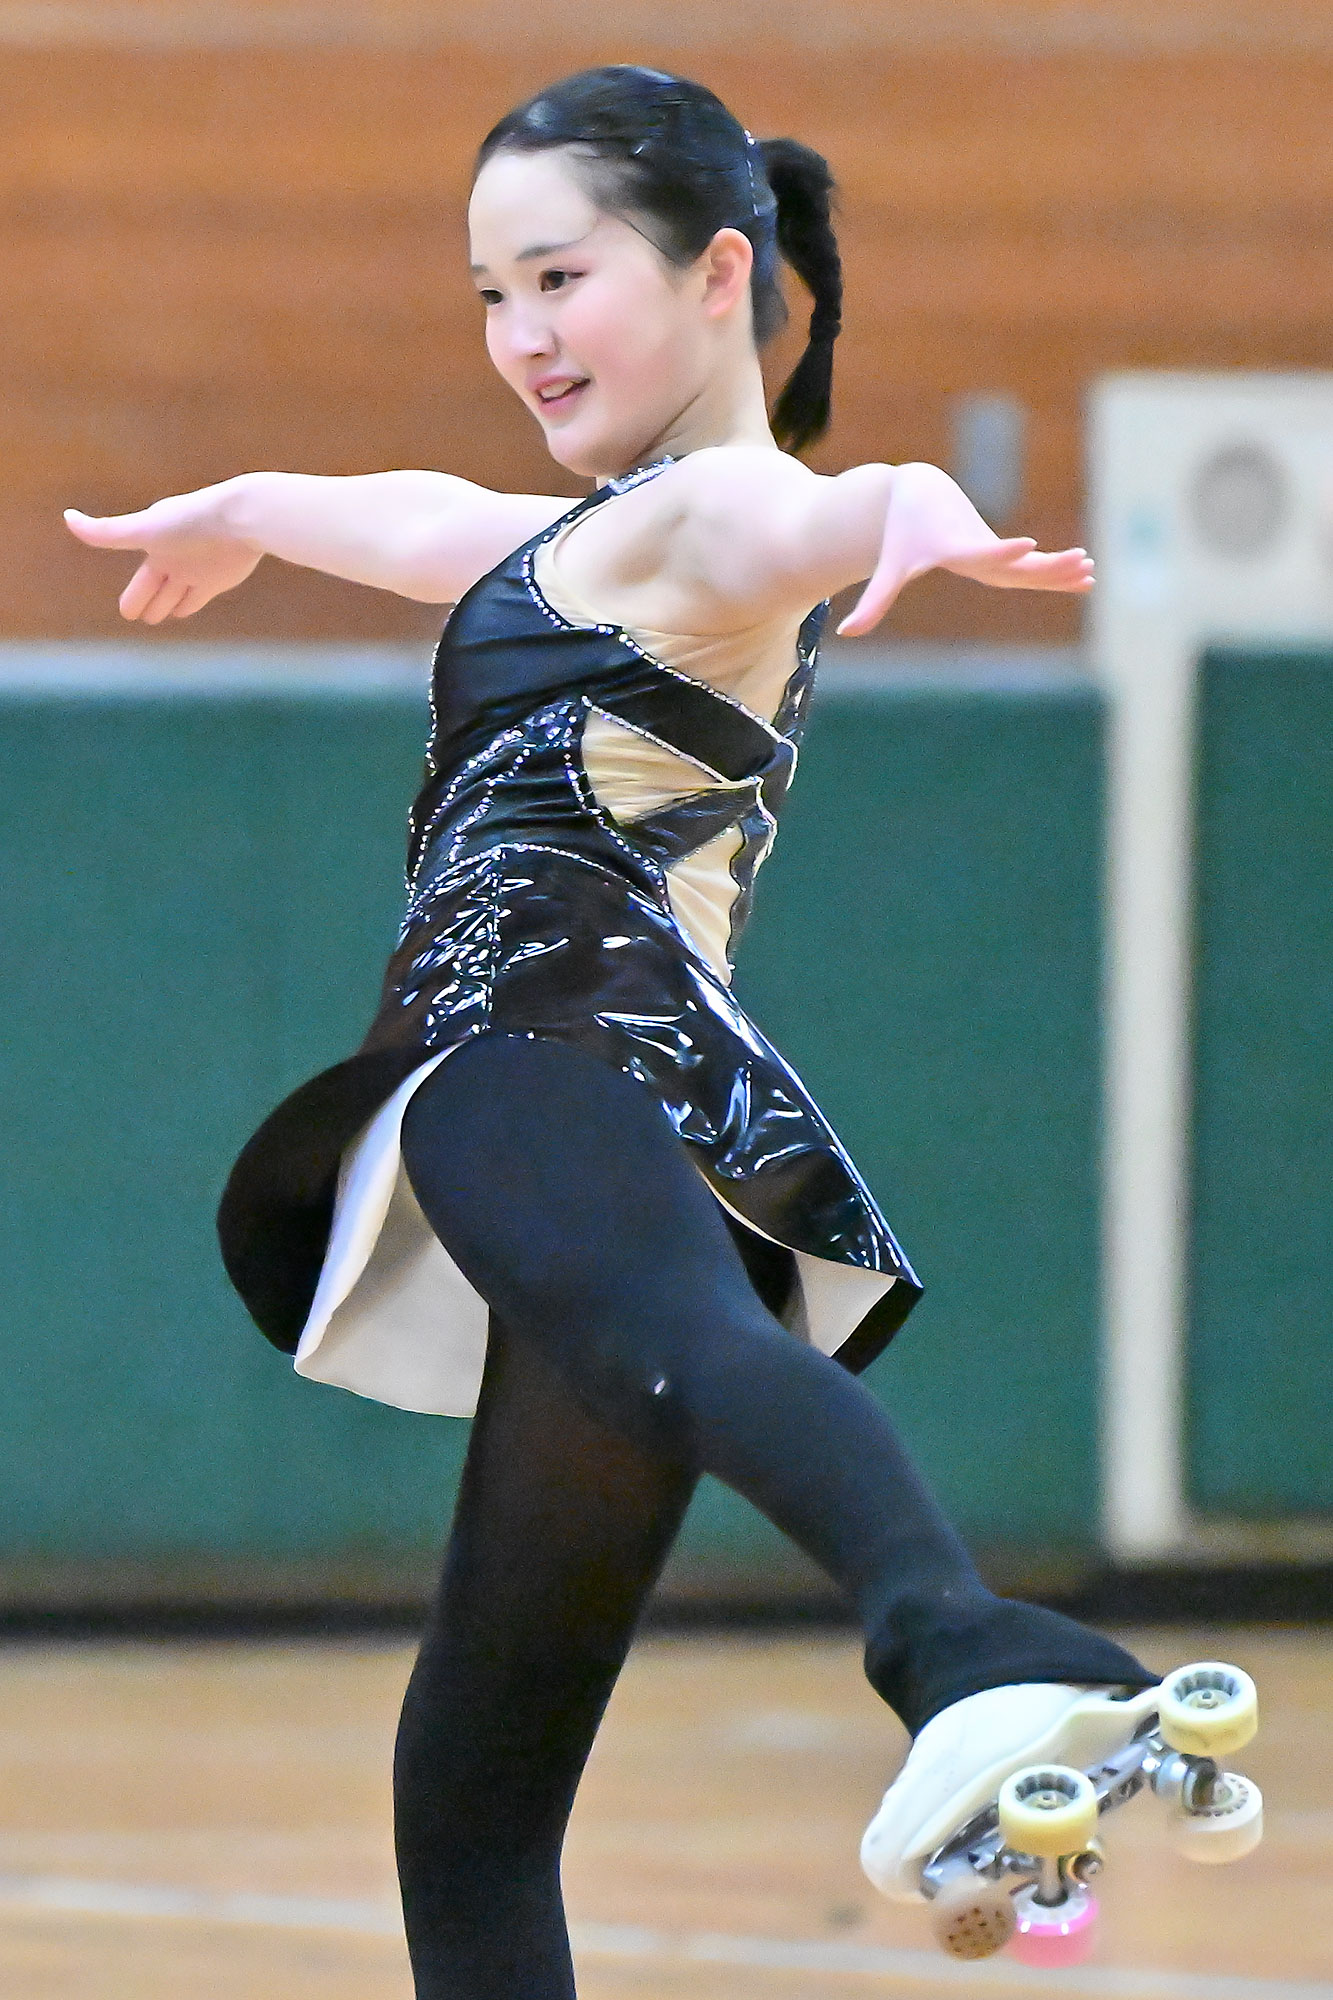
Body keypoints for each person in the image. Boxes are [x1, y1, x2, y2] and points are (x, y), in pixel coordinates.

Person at [66, 65, 1164, 1999]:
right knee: (475, 1781)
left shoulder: (715, 513)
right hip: (658, 1090)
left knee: (681, 1351)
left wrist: (920, 512)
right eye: (490, 295)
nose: (520, 336)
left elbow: (824, 501)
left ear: (720, 272)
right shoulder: (604, 539)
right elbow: (434, 521)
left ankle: (962, 1651)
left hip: (528, 1038)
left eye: (560, 279)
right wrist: (242, 508)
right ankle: (973, 1670)